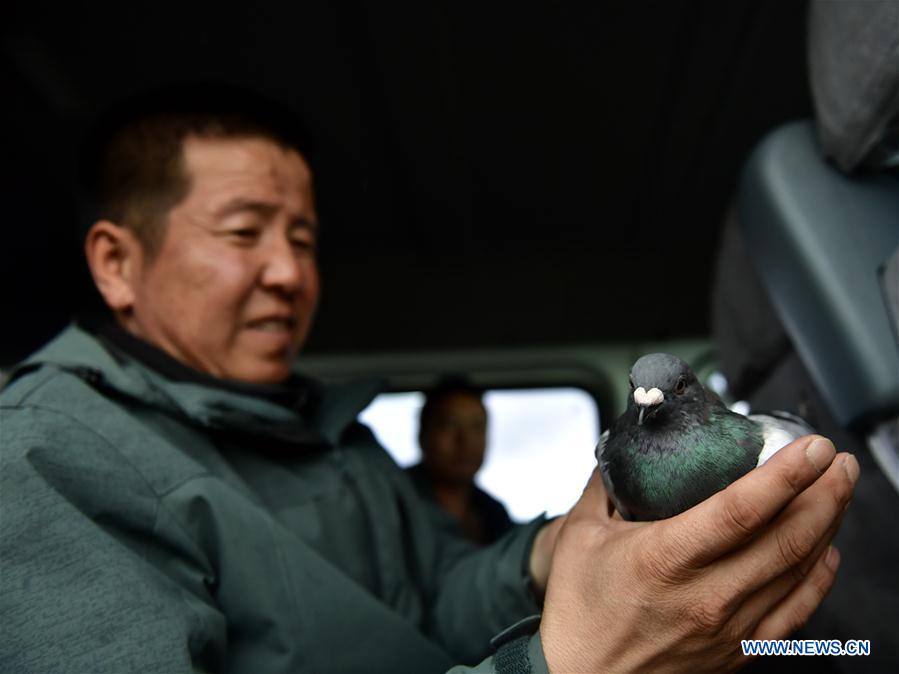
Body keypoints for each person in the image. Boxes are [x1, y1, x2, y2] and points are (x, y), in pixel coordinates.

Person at [0, 87, 859, 674]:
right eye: (243, 232)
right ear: (116, 262)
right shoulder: (43, 459)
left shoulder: (337, 440)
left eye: (302, 239)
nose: (288, 273)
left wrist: (542, 555)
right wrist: (564, 663)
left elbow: (432, 606)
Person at [407, 378, 514, 545]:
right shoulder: (394, 502)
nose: (466, 441)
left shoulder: (494, 513)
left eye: (477, 427)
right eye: (450, 425)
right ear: (423, 434)